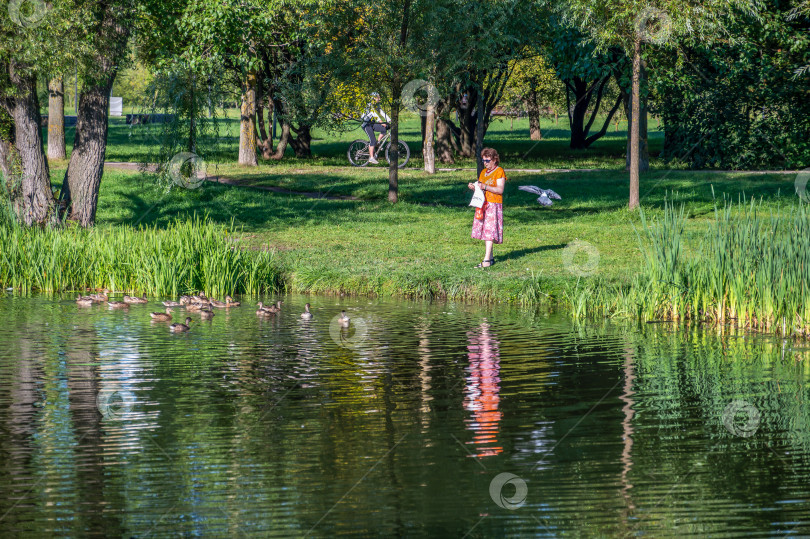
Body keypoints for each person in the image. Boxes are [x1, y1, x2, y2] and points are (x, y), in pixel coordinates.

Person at [467, 148, 506, 268]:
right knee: (485, 231)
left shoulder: (499, 171)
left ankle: (486, 261)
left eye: (487, 160)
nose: (485, 163)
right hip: (483, 204)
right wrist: (475, 187)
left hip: (493, 204)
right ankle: (491, 258)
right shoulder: (483, 172)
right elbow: (481, 187)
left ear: (494, 160)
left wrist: (485, 186)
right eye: (483, 160)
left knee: (489, 232)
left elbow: (500, 190)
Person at [360, 92, 390, 164]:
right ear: (373, 98)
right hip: (366, 124)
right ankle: (371, 158)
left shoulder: (376, 105)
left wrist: (389, 120)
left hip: (372, 123)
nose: (379, 99)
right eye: (378, 97)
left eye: (379, 97)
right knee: (372, 140)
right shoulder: (369, 105)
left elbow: (381, 112)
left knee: (384, 129)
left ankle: (377, 143)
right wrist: (381, 122)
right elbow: (374, 114)